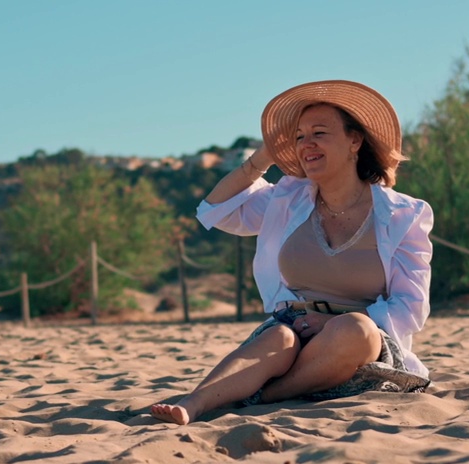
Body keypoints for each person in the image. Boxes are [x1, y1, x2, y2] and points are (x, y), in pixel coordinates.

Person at [151, 80, 433, 425]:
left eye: (319, 133)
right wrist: (264, 156)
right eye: (299, 137)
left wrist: (332, 322)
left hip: (360, 344)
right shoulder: (288, 198)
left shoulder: (403, 215)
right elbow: (215, 210)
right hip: (294, 326)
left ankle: (267, 395)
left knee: (354, 332)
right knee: (279, 337)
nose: (306, 144)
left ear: (354, 141)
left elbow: (410, 307)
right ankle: (193, 404)